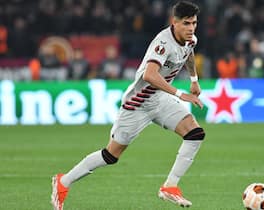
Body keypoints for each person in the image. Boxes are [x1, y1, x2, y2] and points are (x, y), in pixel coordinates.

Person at [51, 1, 205, 209]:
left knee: (195, 134)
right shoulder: (163, 43)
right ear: (174, 22)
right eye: (186, 23)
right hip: (137, 103)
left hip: (160, 98)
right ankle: (63, 182)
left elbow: (188, 53)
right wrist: (180, 93)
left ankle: (170, 187)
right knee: (111, 155)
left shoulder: (190, 39)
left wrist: (194, 80)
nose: (191, 28)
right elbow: (150, 75)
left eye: (194, 23)